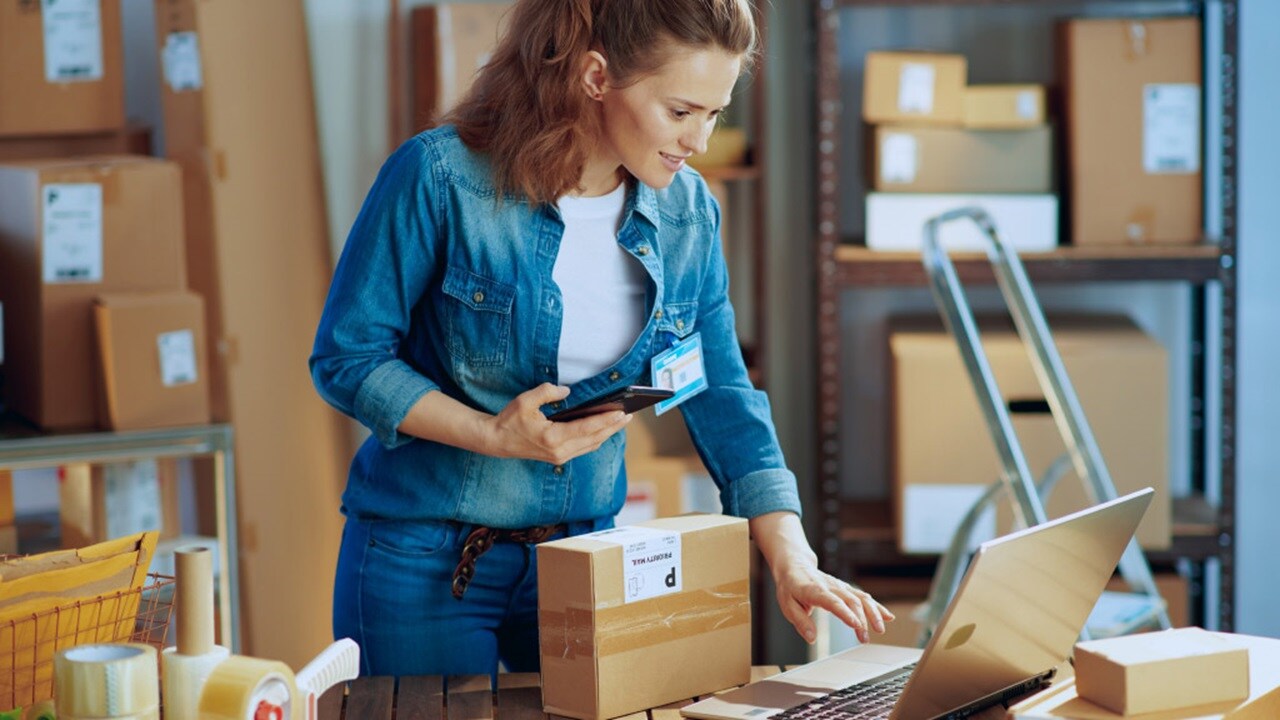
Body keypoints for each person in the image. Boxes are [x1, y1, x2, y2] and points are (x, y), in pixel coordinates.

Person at [310, 0, 894, 678]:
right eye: (680, 112)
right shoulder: (439, 178)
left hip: (585, 557)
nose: (699, 140)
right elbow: (348, 357)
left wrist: (791, 555)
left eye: (715, 114)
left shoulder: (687, 211)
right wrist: (491, 434)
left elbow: (720, 387)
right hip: (425, 560)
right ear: (595, 77)